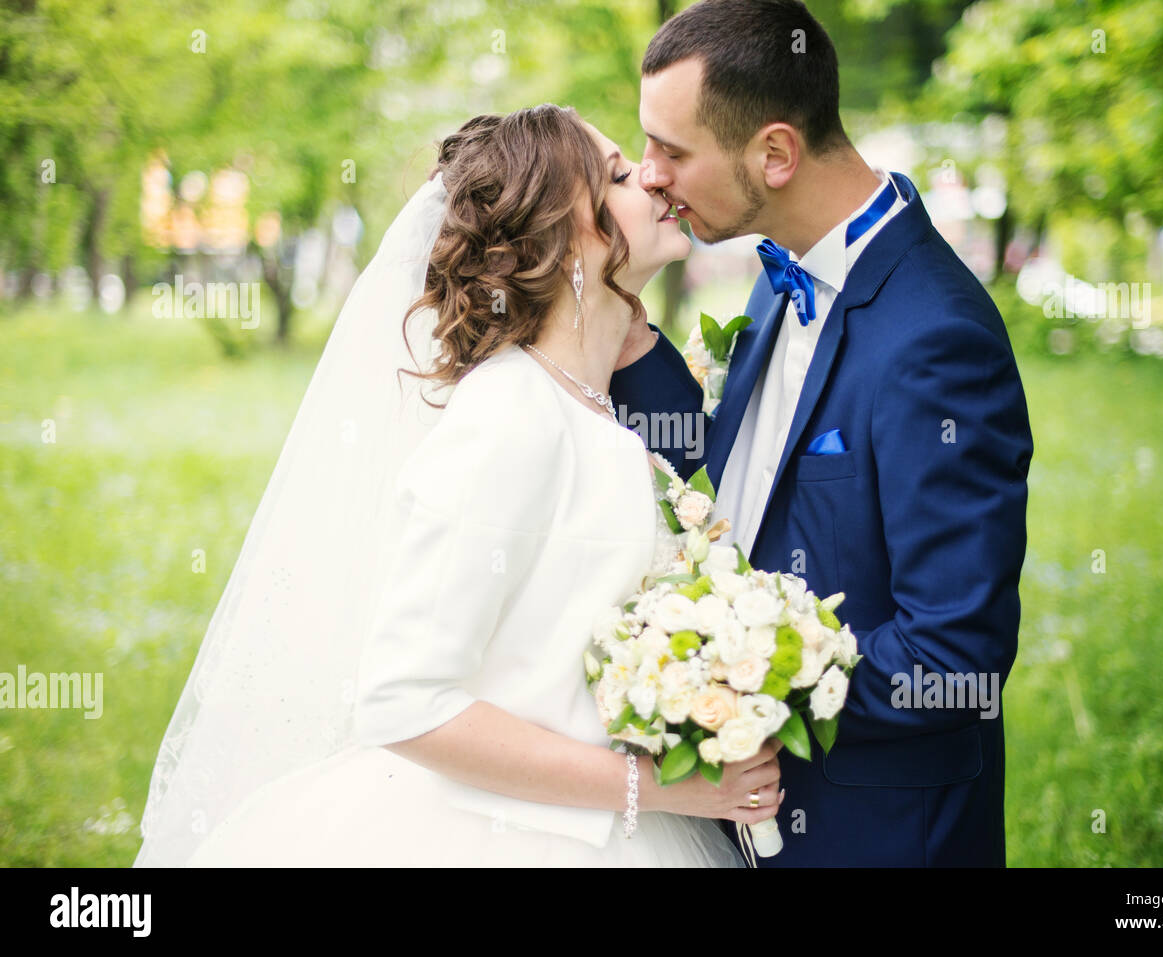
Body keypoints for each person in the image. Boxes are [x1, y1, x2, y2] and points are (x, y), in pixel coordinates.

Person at [134, 104, 782, 867]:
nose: (650, 175)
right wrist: (656, 786)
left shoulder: (595, 411)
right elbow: (404, 700)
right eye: (614, 175)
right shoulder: (510, 414)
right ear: (559, 232)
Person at [610, 0, 1034, 865]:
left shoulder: (936, 341)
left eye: (672, 151)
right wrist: (625, 334)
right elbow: (746, 497)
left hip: (875, 834)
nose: (650, 175)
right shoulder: (781, 275)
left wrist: (729, 688)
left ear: (774, 153)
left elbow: (953, 658)